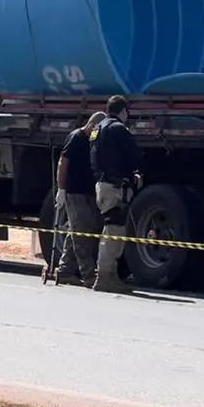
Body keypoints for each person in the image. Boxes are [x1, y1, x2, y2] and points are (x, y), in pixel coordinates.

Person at [89, 95, 143, 293]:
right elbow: (134, 155)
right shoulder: (119, 129)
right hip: (115, 187)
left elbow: (94, 157)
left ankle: (108, 275)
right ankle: (105, 276)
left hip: (102, 184)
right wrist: (133, 173)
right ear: (122, 111)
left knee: (109, 231)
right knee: (114, 233)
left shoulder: (97, 129)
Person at [52, 111, 106, 287]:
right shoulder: (76, 137)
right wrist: (61, 189)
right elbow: (63, 163)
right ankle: (88, 274)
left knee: (77, 231)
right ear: (91, 125)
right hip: (74, 192)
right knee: (82, 233)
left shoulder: (94, 141)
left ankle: (65, 271)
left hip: (89, 192)